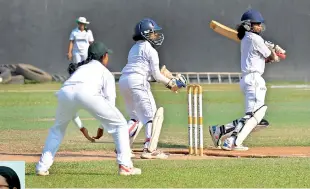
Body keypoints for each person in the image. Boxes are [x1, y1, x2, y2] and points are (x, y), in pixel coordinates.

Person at [36, 41, 141, 176]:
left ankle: (42, 167)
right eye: (107, 55)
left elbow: (72, 97)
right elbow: (110, 102)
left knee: (57, 130)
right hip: (86, 93)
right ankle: (125, 166)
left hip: (65, 92)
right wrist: (102, 127)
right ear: (104, 56)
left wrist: (83, 127)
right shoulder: (105, 72)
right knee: (120, 124)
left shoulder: (81, 69)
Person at [209, 9, 281, 151]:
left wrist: (269, 54)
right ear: (248, 25)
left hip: (249, 78)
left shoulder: (247, 39)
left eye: (260, 24)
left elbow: (261, 58)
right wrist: (274, 53)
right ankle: (232, 142)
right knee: (255, 115)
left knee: (253, 117)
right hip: (254, 80)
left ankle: (220, 131)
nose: (260, 27)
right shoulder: (255, 39)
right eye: (257, 24)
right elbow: (271, 56)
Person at [119, 18, 186, 159]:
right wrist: (172, 83)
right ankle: (149, 150)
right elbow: (155, 74)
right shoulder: (150, 50)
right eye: (154, 32)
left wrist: (168, 80)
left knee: (135, 117)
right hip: (138, 81)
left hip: (124, 81)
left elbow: (149, 75)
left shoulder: (134, 48)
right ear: (146, 33)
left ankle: (121, 146)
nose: (156, 35)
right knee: (151, 116)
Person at [66, 16, 96, 142]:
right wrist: (70, 52)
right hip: (77, 52)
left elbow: (91, 43)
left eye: (83, 23)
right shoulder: (74, 32)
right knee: (78, 67)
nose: (81, 25)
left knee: (86, 67)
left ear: (85, 24)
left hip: (86, 52)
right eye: (80, 23)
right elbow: (71, 42)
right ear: (78, 24)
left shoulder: (88, 33)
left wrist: (92, 53)